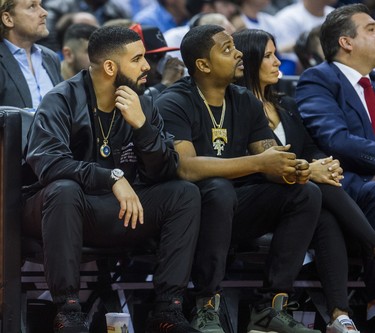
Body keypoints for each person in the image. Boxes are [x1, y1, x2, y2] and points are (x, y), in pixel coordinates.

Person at [22, 25, 202, 333]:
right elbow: (48, 164)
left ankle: (167, 311)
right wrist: (112, 177)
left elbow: (165, 170)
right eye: (138, 59)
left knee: (184, 193)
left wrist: (143, 128)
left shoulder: (143, 104)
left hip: (119, 212)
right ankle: (67, 311)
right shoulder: (61, 99)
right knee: (64, 190)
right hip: (64, 210)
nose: (147, 66)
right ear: (109, 67)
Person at [155, 24, 323, 333]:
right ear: (203, 65)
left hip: (237, 208)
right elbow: (186, 168)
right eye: (227, 49)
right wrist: (259, 163)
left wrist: (292, 168)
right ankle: (206, 305)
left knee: (306, 193)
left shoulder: (244, 100)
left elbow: (269, 155)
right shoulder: (174, 101)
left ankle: (271, 306)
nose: (239, 53)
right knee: (218, 190)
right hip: (190, 214)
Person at [234, 27, 375, 333]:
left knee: (324, 211)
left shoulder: (285, 104)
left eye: (276, 54)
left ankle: (340, 315)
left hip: (299, 198)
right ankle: (371, 243)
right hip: (254, 197)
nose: (277, 62)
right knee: (313, 188)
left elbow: (311, 147)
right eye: (269, 56)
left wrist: (326, 164)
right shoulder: (237, 107)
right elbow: (263, 163)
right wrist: (314, 171)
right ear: (249, 60)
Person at [295, 3, 375, 328]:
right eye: (371, 29)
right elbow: (335, 140)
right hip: (347, 181)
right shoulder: (319, 79)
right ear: (346, 41)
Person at [0, 0, 62, 111]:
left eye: (40, 5)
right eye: (32, 6)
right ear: (8, 19)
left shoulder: (51, 58)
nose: (44, 13)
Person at [129, 23, 186, 98]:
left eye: (164, 55)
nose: (164, 64)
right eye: (155, 57)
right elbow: (142, 104)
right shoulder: (121, 84)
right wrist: (165, 84)